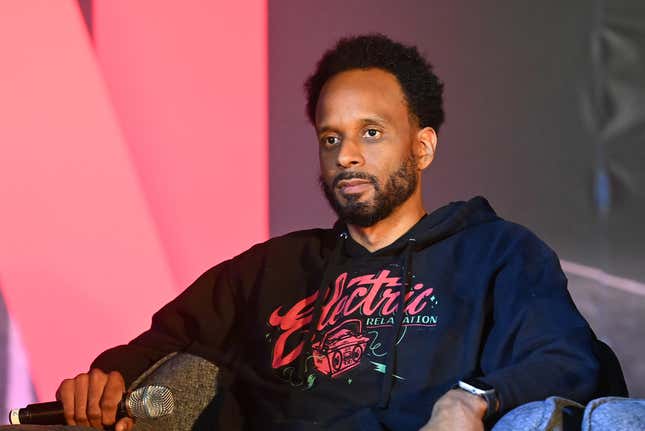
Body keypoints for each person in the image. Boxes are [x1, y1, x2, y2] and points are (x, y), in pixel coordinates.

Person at [56, 34, 604, 431]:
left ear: (422, 146)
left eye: (371, 132)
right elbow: (163, 344)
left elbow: (569, 363)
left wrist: (469, 400)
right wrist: (106, 379)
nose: (346, 155)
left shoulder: (494, 253)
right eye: (329, 138)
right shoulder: (273, 268)